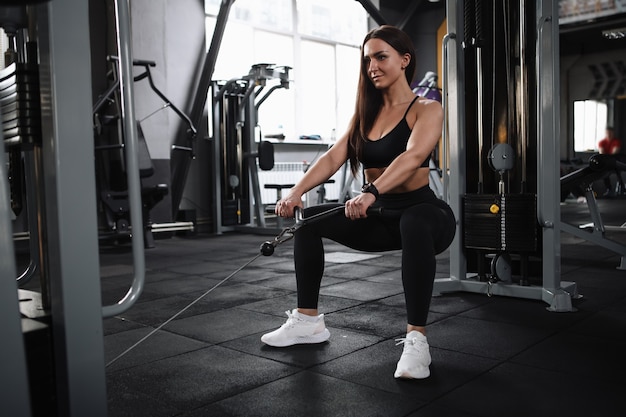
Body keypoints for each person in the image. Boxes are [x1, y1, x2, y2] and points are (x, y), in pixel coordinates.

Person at [261, 25, 456, 380]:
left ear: (404, 60)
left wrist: (371, 191)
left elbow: (412, 157)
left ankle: (417, 341)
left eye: (381, 57)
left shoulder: (427, 109)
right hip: (380, 216)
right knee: (308, 222)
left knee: (414, 222)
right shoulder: (366, 113)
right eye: (368, 60)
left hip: (425, 214)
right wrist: (295, 191)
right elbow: (334, 156)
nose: (372, 67)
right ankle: (308, 322)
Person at [598, 126, 623, 196]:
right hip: (606, 162)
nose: (609, 134)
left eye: (610, 133)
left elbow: (614, 153)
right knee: (604, 172)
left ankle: (622, 187)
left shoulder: (616, 141)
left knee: (618, 168)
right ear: (605, 133)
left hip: (614, 161)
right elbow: (602, 153)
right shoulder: (602, 142)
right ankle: (609, 189)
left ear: (613, 133)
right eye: (607, 133)